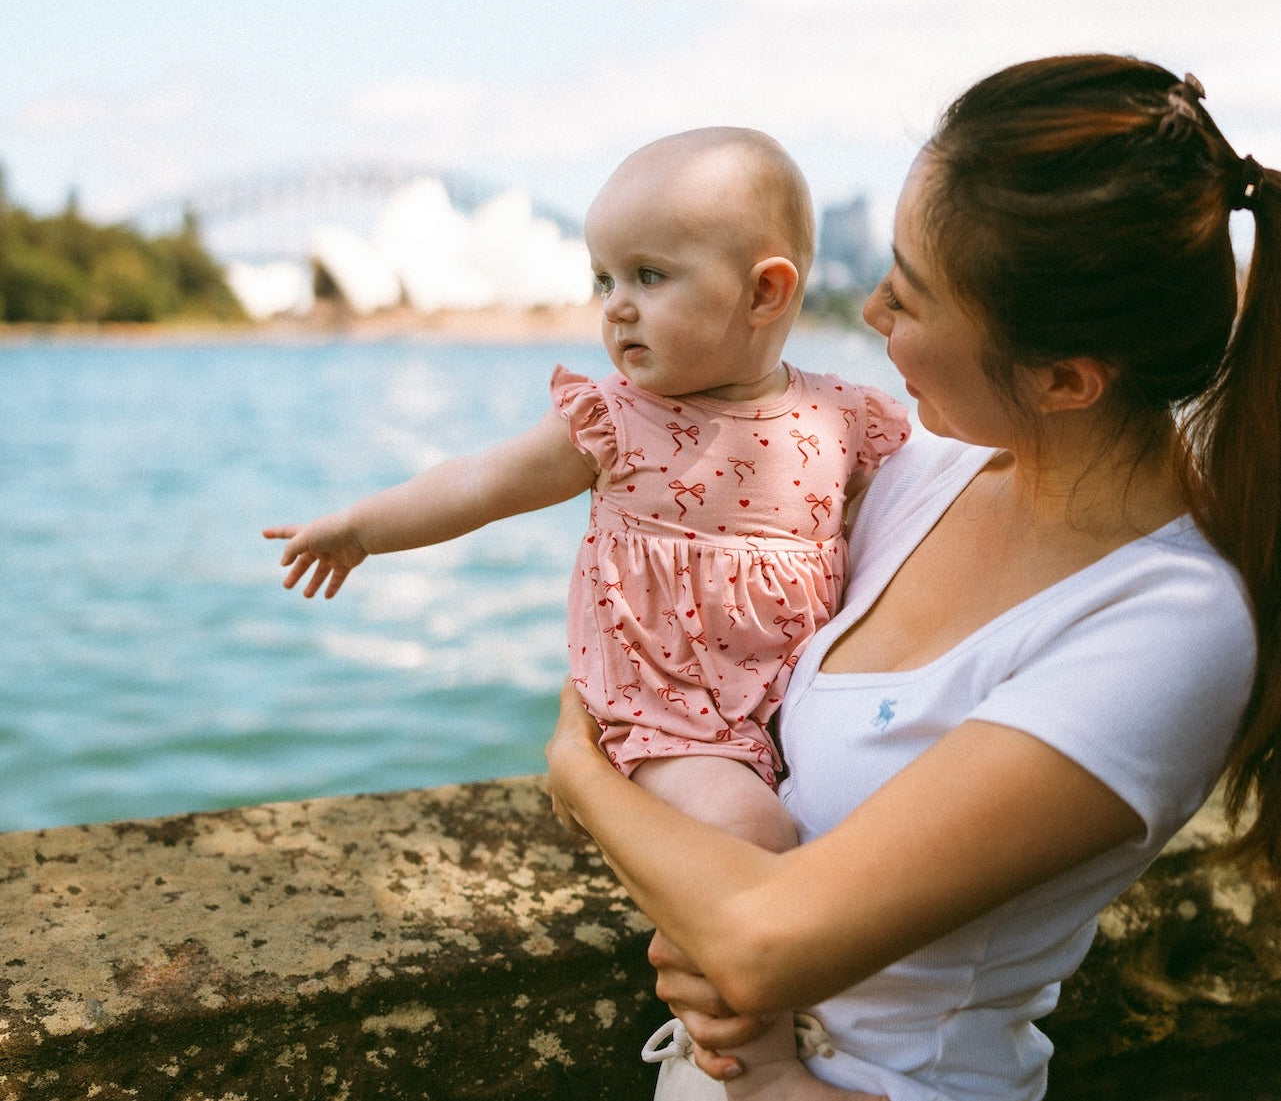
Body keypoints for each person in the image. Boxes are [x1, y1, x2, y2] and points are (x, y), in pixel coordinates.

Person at [545, 55, 1280, 1101]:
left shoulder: (1167, 626)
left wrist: (583, 780)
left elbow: (758, 945)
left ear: (1066, 379)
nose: (875, 309)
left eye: (915, 294)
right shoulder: (919, 472)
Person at [265, 126, 910, 1099]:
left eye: (649, 275)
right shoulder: (615, 417)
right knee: (754, 837)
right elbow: (481, 480)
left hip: (791, 703)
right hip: (670, 710)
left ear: (766, 292)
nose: (614, 307)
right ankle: (756, 1056)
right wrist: (362, 528)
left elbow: (952, 502)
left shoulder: (842, 420)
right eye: (603, 276)